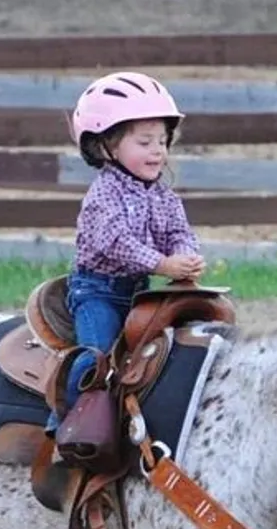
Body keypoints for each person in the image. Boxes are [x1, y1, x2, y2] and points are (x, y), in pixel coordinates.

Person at [49, 71, 208, 432]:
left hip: (139, 292)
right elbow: (114, 242)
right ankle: (64, 424)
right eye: (144, 141)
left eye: (163, 141)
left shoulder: (164, 197)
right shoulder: (104, 193)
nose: (157, 151)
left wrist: (187, 257)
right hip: (97, 291)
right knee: (97, 356)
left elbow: (179, 233)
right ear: (106, 146)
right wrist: (163, 263)